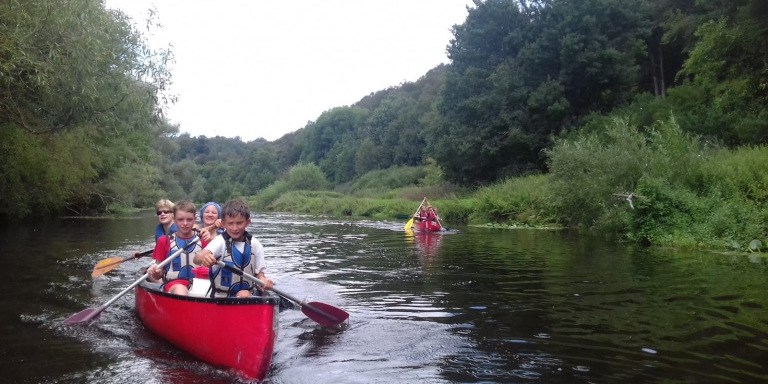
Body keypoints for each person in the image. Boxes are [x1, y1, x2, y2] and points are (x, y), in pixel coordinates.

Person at [194, 198, 274, 298]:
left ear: (247, 223)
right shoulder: (220, 241)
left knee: (244, 294)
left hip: (245, 297)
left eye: (239, 223)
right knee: (244, 295)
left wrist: (263, 281)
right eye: (230, 223)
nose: (235, 228)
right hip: (219, 300)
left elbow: (259, 275)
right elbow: (197, 259)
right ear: (223, 224)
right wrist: (205, 258)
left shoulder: (255, 245)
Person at [146, 200, 208, 296]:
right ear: (174, 219)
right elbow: (158, 275)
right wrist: (155, 271)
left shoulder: (203, 239)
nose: (185, 223)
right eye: (180, 219)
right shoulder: (164, 241)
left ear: (195, 219)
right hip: (174, 284)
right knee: (180, 289)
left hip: (200, 284)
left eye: (189, 219)